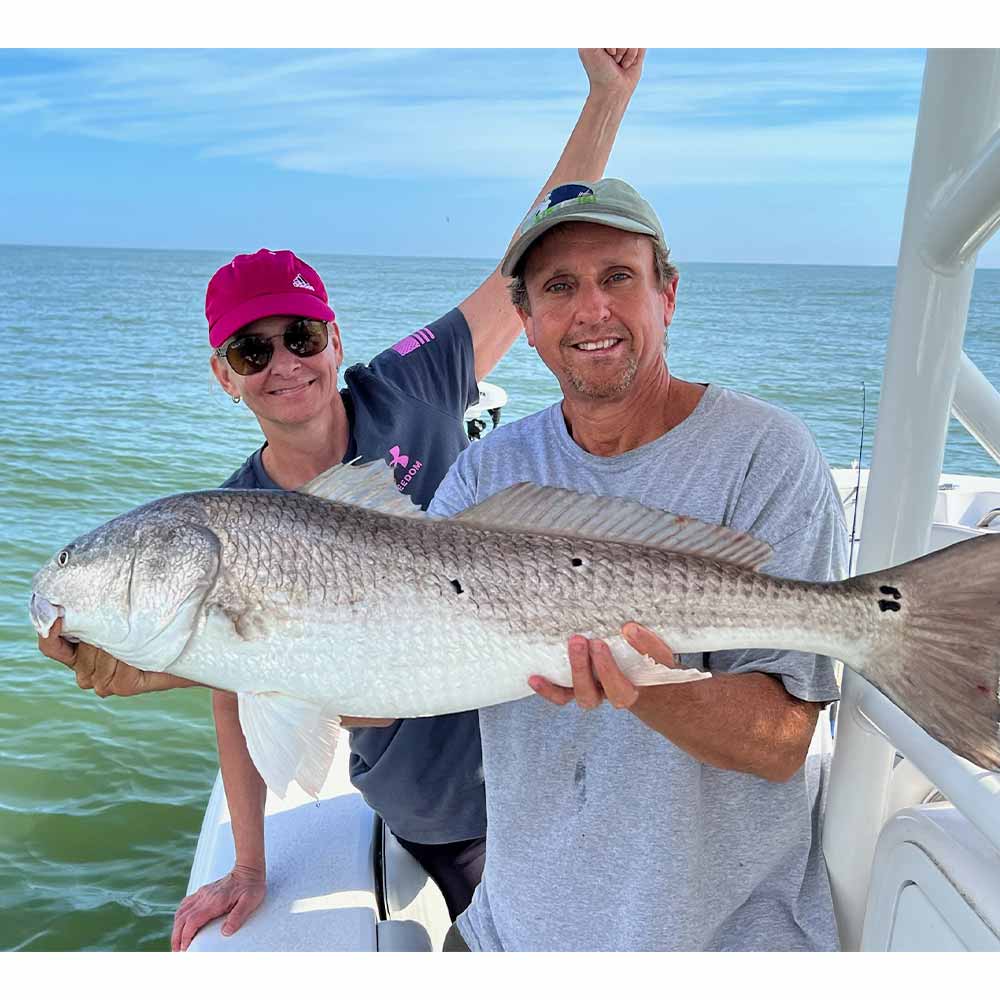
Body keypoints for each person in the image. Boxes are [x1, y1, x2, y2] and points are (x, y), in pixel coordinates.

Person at [36, 49, 647, 950]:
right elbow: (238, 696)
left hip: (554, 760)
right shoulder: (233, 516)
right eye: (252, 352)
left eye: (300, 335)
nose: (284, 363)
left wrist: (606, 98)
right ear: (223, 378)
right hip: (437, 806)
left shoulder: (414, 383)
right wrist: (246, 866)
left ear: (333, 336)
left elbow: (532, 258)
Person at [427, 177, 849, 951]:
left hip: (716, 941)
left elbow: (783, 742)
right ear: (525, 320)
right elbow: (387, 682)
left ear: (668, 294)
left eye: (618, 277)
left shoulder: (766, 453)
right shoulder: (485, 475)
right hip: (512, 930)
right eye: (559, 286)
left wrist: (644, 686)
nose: (592, 310)